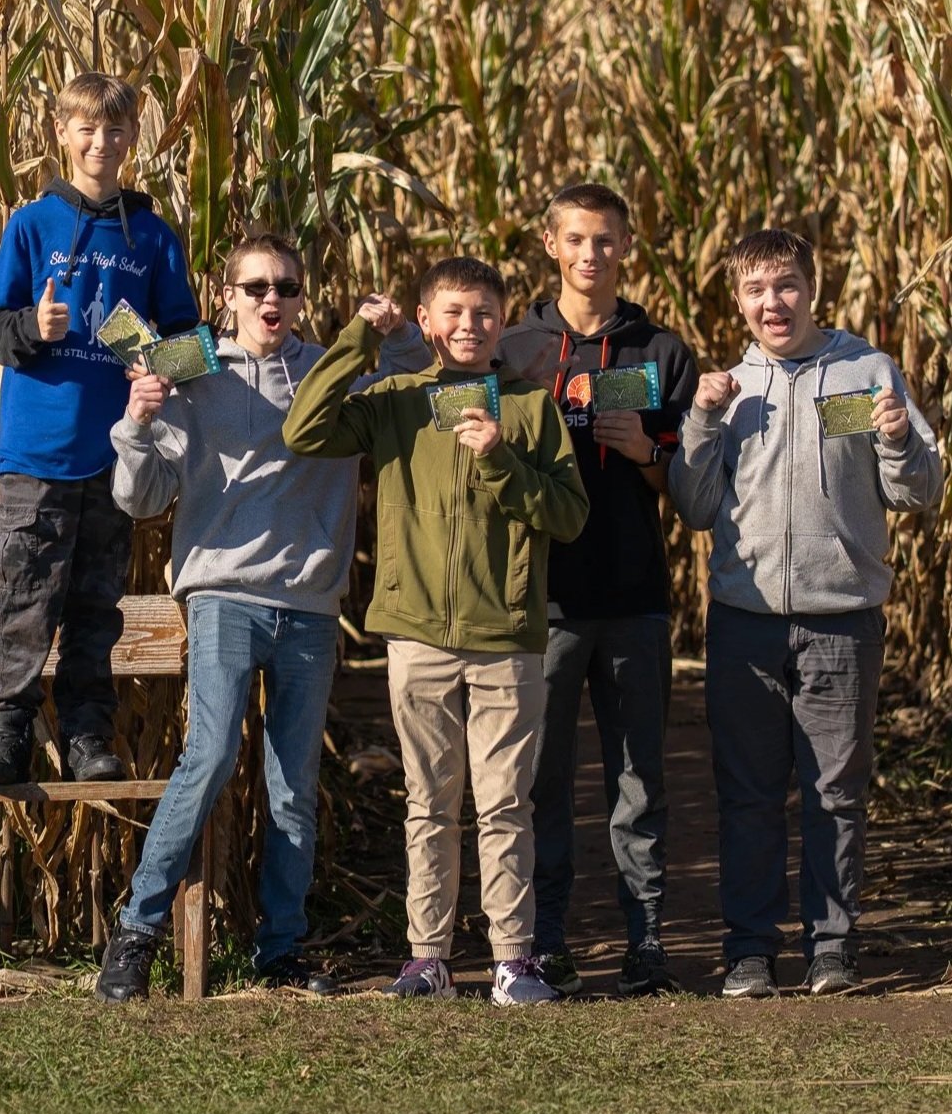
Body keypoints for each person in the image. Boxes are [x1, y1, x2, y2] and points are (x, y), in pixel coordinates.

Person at [95, 235, 429, 1001]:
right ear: (227, 297)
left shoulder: (327, 371)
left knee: (291, 786)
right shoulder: (193, 376)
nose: (270, 300)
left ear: (304, 297)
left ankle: (280, 949)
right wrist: (138, 424)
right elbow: (140, 501)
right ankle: (136, 934)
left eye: (286, 287)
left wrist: (395, 330)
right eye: (253, 288)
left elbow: (421, 383)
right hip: (223, 596)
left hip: (309, 604)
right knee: (208, 759)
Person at [284, 256, 589, 1005]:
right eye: (451, 312)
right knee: (429, 802)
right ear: (424, 322)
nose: (467, 326)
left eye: (483, 313)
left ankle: (513, 960)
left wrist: (500, 462)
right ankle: (428, 959)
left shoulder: (528, 407)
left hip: (506, 636)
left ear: (502, 320)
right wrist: (358, 337)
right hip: (416, 634)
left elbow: (568, 515)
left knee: (505, 803)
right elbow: (304, 428)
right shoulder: (394, 399)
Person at [669, 229, 943, 998]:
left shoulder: (863, 372)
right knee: (748, 796)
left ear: (812, 288)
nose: (772, 303)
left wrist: (894, 440)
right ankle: (749, 951)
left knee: (834, 794)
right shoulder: (731, 387)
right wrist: (699, 420)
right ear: (738, 301)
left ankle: (831, 948)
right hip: (744, 621)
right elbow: (691, 509)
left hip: (840, 619)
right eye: (755, 290)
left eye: (785, 285)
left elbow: (918, 492)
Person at [0, 72, 198, 787]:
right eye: (88, 128)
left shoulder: (153, 236)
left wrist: (155, 368)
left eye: (117, 129)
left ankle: (88, 735)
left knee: (97, 608)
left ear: (134, 139)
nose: (102, 142)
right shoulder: (31, 224)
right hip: (36, 455)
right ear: (62, 133)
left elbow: (190, 340)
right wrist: (32, 329)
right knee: (24, 602)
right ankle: (4, 733)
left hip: (115, 457)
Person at [496, 184, 698, 997]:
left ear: (625, 248)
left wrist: (648, 452)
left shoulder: (660, 352)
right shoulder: (512, 351)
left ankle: (644, 945)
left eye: (604, 241)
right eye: (575, 239)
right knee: (543, 781)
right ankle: (546, 943)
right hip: (538, 601)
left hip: (634, 595)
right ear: (550, 245)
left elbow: (689, 480)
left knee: (636, 781)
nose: (590, 254)